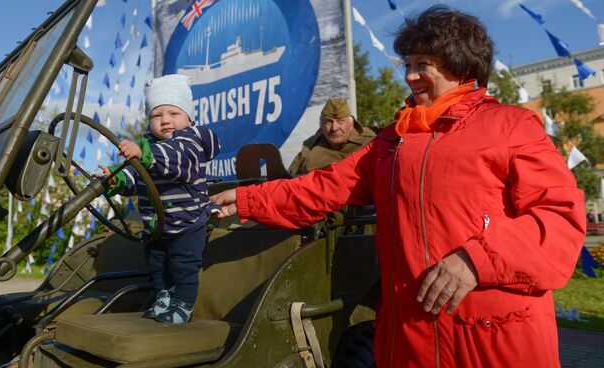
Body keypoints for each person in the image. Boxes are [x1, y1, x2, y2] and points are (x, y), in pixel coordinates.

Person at [211, 6, 585, 367]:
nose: (409, 76)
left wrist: (477, 260)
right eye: (407, 64)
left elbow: (559, 217)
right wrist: (245, 199)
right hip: (409, 342)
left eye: (423, 64)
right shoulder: (391, 142)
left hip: (489, 340)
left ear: (460, 64)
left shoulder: (509, 125)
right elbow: (322, 188)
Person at [98, 74, 221, 324]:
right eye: (157, 115)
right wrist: (117, 180)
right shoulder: (149, 149)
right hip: (156, 226)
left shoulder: (191, 142)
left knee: (183, 266)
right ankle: (164, 297)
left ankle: (183, 305)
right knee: (157, 265)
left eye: (173, 113)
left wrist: (144, 153)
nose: (165, 120)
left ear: (188, 116)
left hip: (188, 224)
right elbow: (136, 177)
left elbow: (175, 159)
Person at [287, 98, 375, 175]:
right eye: (329, 122)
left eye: (340, 121)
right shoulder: (311, 145)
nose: (334, 128)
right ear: (321, 125)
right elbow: (291, 175)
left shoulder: (370, 142)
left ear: (351, 125)